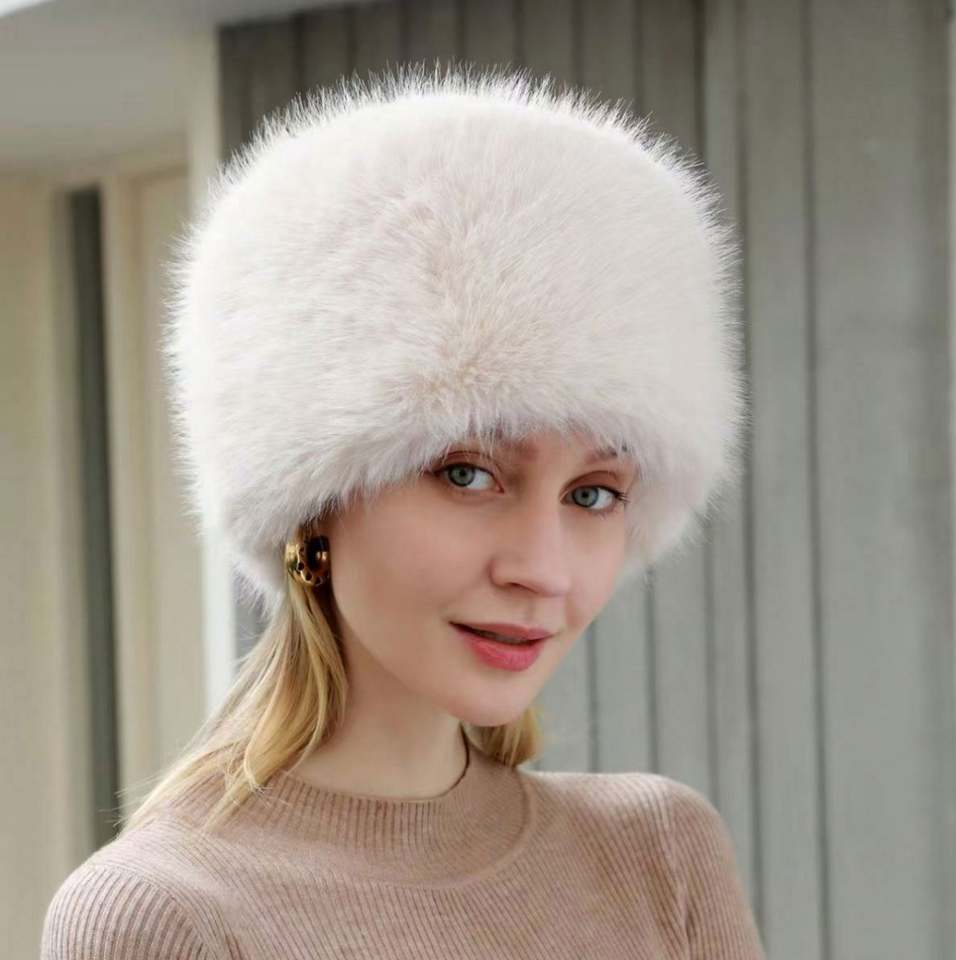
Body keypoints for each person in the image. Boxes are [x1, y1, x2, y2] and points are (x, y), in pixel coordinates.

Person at [40, 61, 764, 958]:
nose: (543, 570)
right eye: (467, 474)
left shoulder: (658, 853)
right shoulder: (165, 914)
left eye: (594, 494)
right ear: (314, 504)